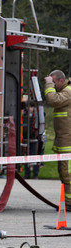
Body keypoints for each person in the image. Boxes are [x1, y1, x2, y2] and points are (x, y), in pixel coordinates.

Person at [44, 69, 71, 210]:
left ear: (61, 81)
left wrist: (48, 85)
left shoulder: (68, 92)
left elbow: (52, 100)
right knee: (64, 172)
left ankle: (70, 203)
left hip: (69, 143)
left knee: (68, 174)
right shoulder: (65, 91)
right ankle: (68, 202)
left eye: (54, 82)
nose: (52, 85)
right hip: (64, 141)